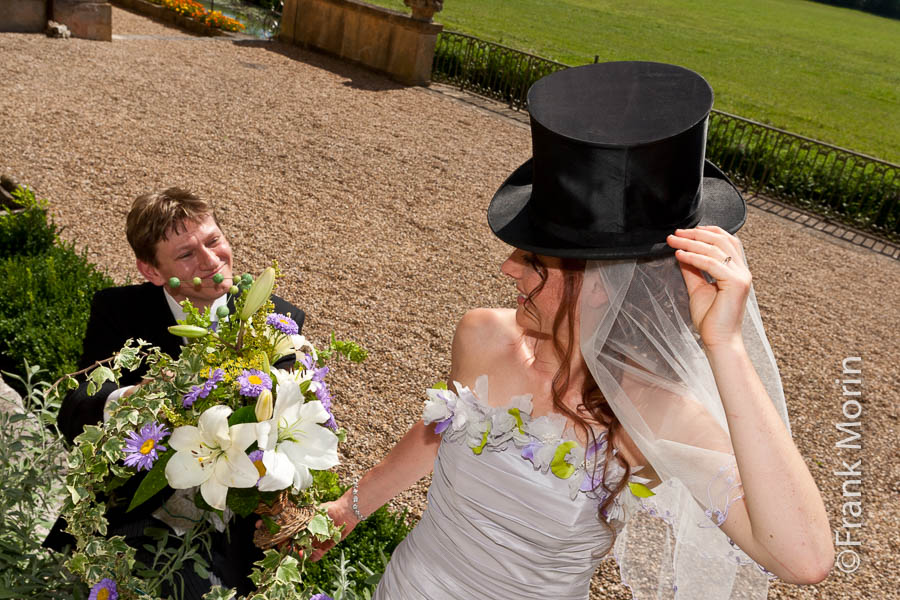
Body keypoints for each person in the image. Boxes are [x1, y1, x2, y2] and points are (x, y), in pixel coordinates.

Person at [317, 62, 833, 599]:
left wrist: (724, 345)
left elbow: (802, 558)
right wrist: (350, 507)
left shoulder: (651, 412)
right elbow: (437, 435)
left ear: (601, 283)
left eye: (532, 257)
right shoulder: (481, 335)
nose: (507, 269)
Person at [46, 187, 305, 597]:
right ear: (151, 272)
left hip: (227, 529)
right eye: (186, 255)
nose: (211, 260)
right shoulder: (119, 312)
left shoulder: (279, 319)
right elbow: (75, 410)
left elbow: (285, 424)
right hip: (134, 513)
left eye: (214, 240)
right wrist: (133, 399)